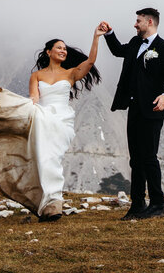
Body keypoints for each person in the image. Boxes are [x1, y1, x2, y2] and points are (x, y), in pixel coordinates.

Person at [99, 7, 164, 220]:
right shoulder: (135, 44)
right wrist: (108, 33)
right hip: (134, 108)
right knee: (135, 158)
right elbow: (117, 51)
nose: (135, 24)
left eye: (138, 21)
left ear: (149, 22)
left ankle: (159, 204)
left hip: (153, 109)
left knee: (149, 157)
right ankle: (137, 205)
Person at [24, 28, 104, 221]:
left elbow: (90, 61)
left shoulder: (70, 74)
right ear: (48, 52)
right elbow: (34, 97)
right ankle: (46, 204)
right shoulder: (36, 75)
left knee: (52, 158)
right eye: (59, 48)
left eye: (65, 49)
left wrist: (96, 37)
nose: (63, 51)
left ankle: (54, 204)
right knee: (42, 160)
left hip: (61, 121)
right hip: (43, 119)